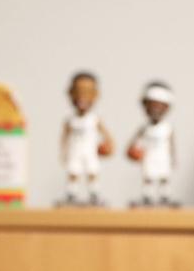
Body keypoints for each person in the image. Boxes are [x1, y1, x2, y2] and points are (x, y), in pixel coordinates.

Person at [60, 71, 113, 205]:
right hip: (75, 151)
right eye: (78, 91)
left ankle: (94, 194)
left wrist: (109, 145)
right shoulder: (70, 120)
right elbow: (64, 138)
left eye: (88, 92)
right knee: (73, 173)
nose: (82, 96)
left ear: (96, 95)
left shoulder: (94, 119)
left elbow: (107, 135)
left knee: (92, 172)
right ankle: (71, 194)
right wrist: (63, 152)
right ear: (70, 93)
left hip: (90, 151)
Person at [126, 80, 177, 206]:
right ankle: (147, 196)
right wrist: (133, 150)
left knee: (163, 177)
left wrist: (173, 158)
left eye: (159, 106)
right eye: (152, 105)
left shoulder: (167, 128)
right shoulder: (144, 129)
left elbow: (171, 144)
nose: (155, 109)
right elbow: (134, 142)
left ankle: (164, 196)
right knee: (148, 177)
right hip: (148, 156)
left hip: (162, 156)